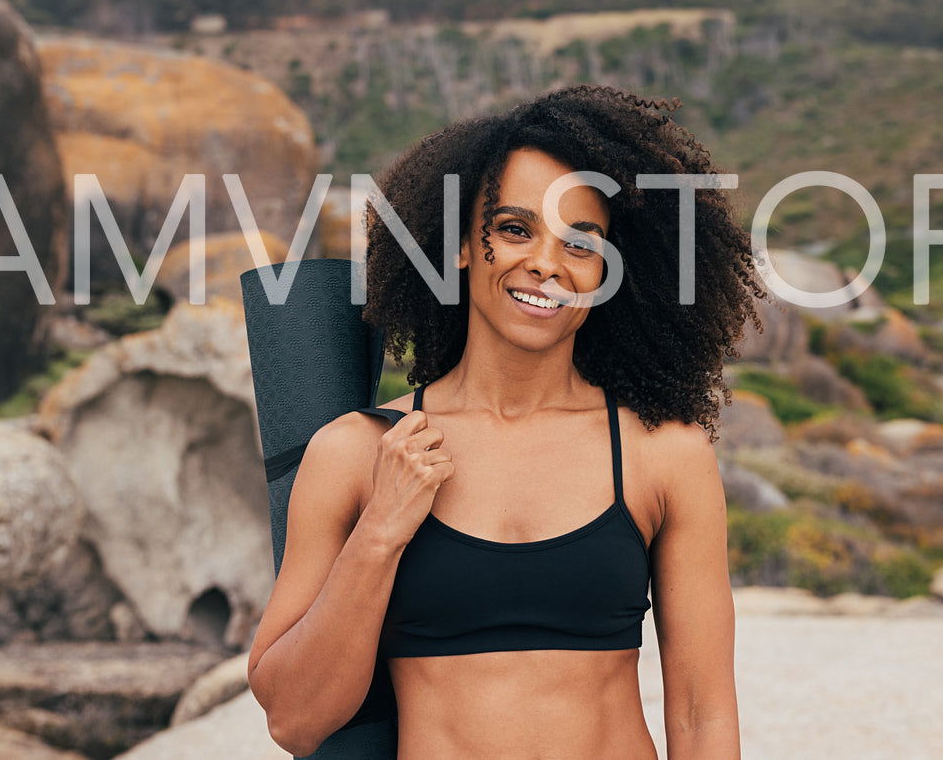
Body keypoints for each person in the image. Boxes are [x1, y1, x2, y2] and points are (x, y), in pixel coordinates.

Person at [247, 85, 763, 757]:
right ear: (462, 245)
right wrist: (379, 534)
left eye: (581, 243)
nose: (545, 263)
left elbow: (701, 714)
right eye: (514, 229)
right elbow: (294, 719)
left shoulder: (662, 453)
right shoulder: (357, 453)